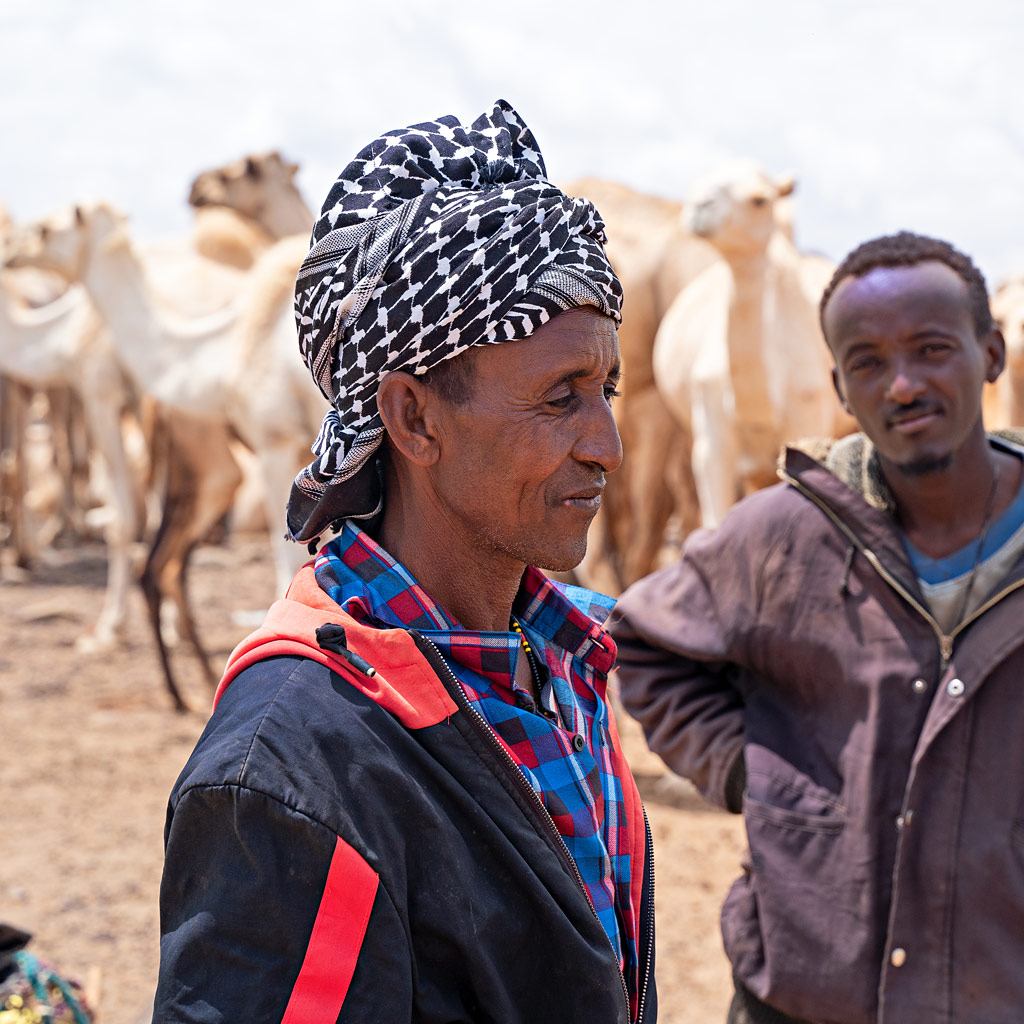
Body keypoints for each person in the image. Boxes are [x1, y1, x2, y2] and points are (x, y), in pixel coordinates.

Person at [152, 100, 655, 1024]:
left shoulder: (560, 667)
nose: (608, 446)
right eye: (560, 398)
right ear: (414, 417)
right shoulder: (293, 769)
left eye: (607, 389)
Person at [611, 231, 1024, 1024]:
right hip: (803, 997)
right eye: (867, 362)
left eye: (932, 350)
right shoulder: (784, 538)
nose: (902, 384)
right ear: (839, 386)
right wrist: (751, 773)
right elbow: (646, 642)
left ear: (992, 354)